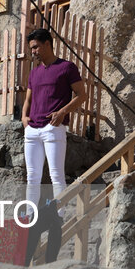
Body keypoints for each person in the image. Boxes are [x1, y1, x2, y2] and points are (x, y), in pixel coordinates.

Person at [21, 28, 87, 208]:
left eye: (35, 47)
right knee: (32, 177)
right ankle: (29, 217)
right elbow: (28, 99)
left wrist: (62, 112)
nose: (33, 51)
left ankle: (59, 217)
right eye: (31, 48)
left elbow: (82, 95)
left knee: (56, 174)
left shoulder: (66, 67)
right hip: (32, 130)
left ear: (48, 44)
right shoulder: (34, 73)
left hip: (53, 127)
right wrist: (24, 118)